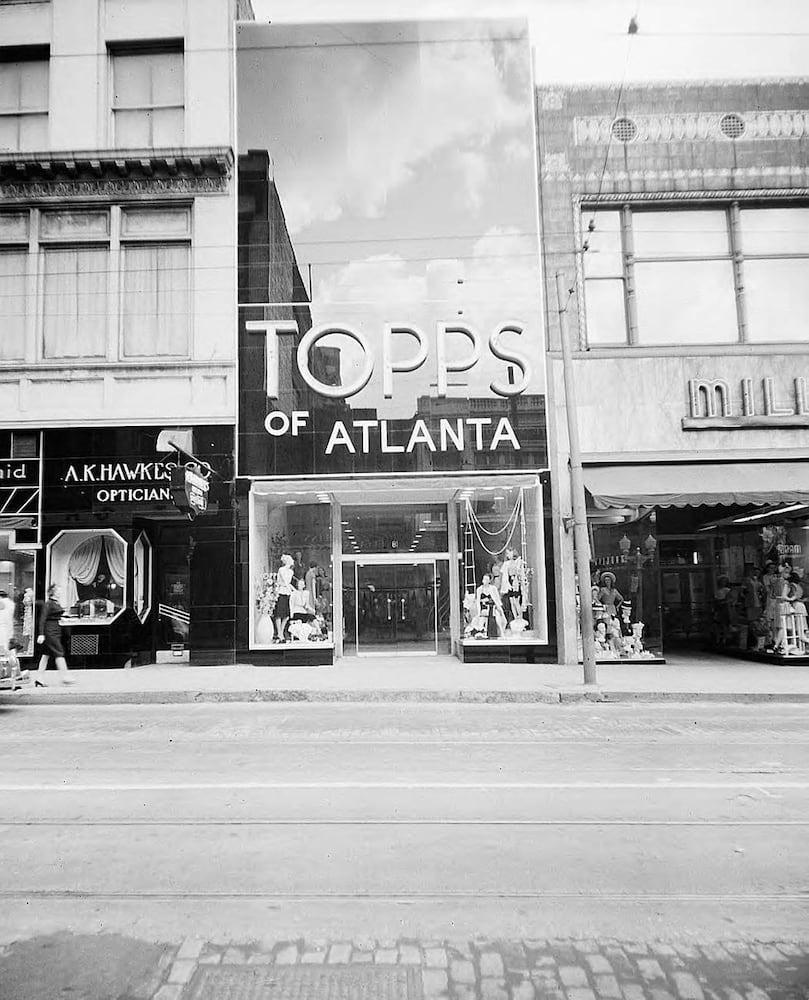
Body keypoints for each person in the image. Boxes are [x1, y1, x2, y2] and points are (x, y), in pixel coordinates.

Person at [35, 584, 72, 686]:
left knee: (45, 655)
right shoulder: (49, 604)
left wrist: (63, 618)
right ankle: (65, 676)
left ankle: (39, 679)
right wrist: (41, 634)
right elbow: (42, 619)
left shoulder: (54, 603)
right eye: (58, 591)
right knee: (59, 652)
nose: (60, 592)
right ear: (53, 592)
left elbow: (54, 616)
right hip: (50, 632)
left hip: (54, 630)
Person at [475, 574, 506, 638]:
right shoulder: (479, 589)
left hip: (493, 607)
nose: (484, 581)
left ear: (489, 581)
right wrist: (478, 611)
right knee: (482, 617)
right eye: (484, 579)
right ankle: (482, 632)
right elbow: (478, 601)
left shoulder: (493, 588)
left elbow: (497, 599)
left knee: (498, 618)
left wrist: (500, 609)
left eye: (486, 579)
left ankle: (501, 633)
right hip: (484, 607)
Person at [273, 554, 295, 643]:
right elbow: (284, 581)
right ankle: (279, 633)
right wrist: (290, 590)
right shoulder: (281, 570)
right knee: (279, 613)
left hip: (287, 593)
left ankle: (281, 632)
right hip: (281, 592)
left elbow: (289, 583)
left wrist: (294, 590)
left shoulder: (291, 572)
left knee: (286, 614)